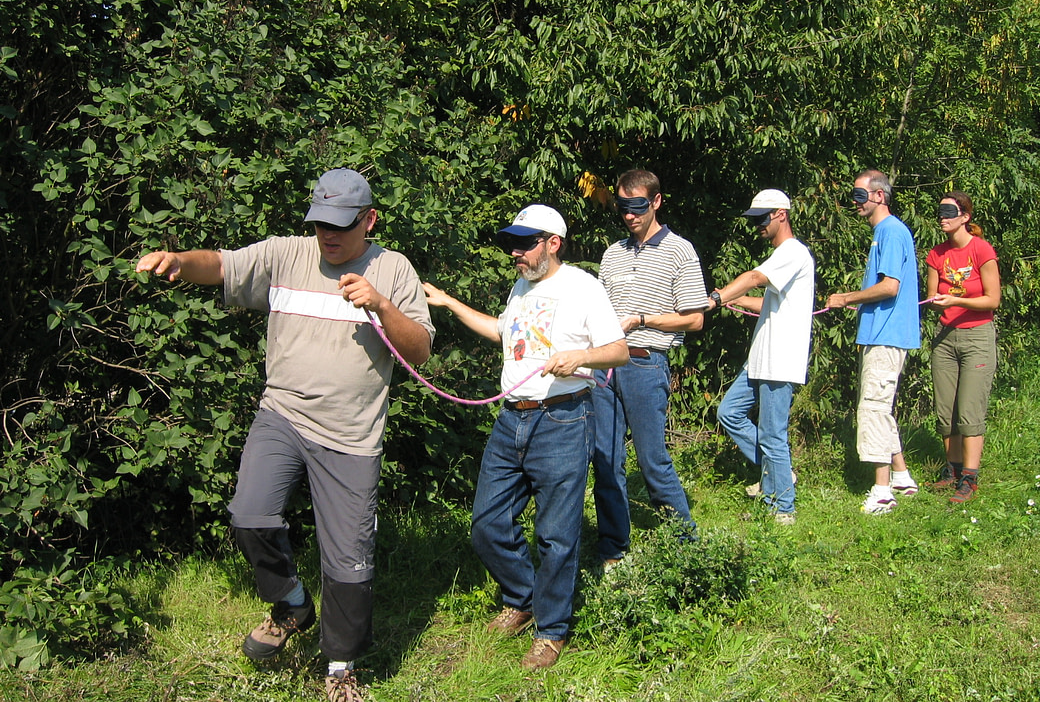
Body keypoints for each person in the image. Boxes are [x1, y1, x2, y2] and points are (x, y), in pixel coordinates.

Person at [135, 169, 435, 702]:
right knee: (249, 515)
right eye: (321, 224)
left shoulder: (393, 269)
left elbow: (419, 352)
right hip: (283, 415)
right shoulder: (286, 255)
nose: (329, 235)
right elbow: (223, 264)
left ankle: (341, 667)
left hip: (351, 436)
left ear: (369, 219)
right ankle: (292, 601)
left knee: (348, 560)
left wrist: (382, 306)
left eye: (342, 225)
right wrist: (181, 262)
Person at [423, 204, 628, 670]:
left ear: (553, 243)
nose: (515, 252)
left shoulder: (583, 287)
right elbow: (503, 333)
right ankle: (523, 597)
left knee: (556, 535)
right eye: (511, 243)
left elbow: (621, 350)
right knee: (487, 524)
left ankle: (552, 630)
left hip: (562, 420)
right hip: (510, 419)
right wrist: (451, 303)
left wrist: (581, 357)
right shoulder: (521, 287)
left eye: (525, 243)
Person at [591, 169, 708, 564]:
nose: (629, 214)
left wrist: (642, 319)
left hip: (644, 363)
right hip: (604, 367)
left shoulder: (680, 250)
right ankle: (612, 549)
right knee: (605, 458)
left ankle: (686, 547)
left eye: (637, 206)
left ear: (656, 202)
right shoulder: (612, 254)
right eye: (623, 206)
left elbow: (694, 319)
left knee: (651, 459)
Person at [707, 189, 815, 524]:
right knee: (729, 413)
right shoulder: (783, 256)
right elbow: (765, 302)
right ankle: (777, 472)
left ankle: (783, 508)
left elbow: (754, 279)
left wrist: (717, 296)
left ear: (781, 214)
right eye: (754, 219)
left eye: (762, 218)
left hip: (780, 359)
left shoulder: (793, 252)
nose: (757, 226)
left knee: (772, 434)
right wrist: (731, 301)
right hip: (760, 357)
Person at [827, 169, 920, 515]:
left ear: (879, 196)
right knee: (881, 407)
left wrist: (847, 298)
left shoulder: (892, 232)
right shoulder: (883, 233)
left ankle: (882, 492)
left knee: (873, 408)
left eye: (860, 196)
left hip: (887, 334)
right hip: (880, 333)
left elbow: (890, 286)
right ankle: (902, 477)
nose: (856, 204)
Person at [925, 190, 1000, 504]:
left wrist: (956, 299)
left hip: (977, 336)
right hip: (945, 337)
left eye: (949, 212)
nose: (943, 217)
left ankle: (970, 477)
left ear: (965, 217)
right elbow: (932, 297)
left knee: (969, 411)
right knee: (946, 411)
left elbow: (992, 299)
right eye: (940, 212)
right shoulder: (936, 254)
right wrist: (935, 303)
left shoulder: (981, 250)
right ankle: (952, 471)